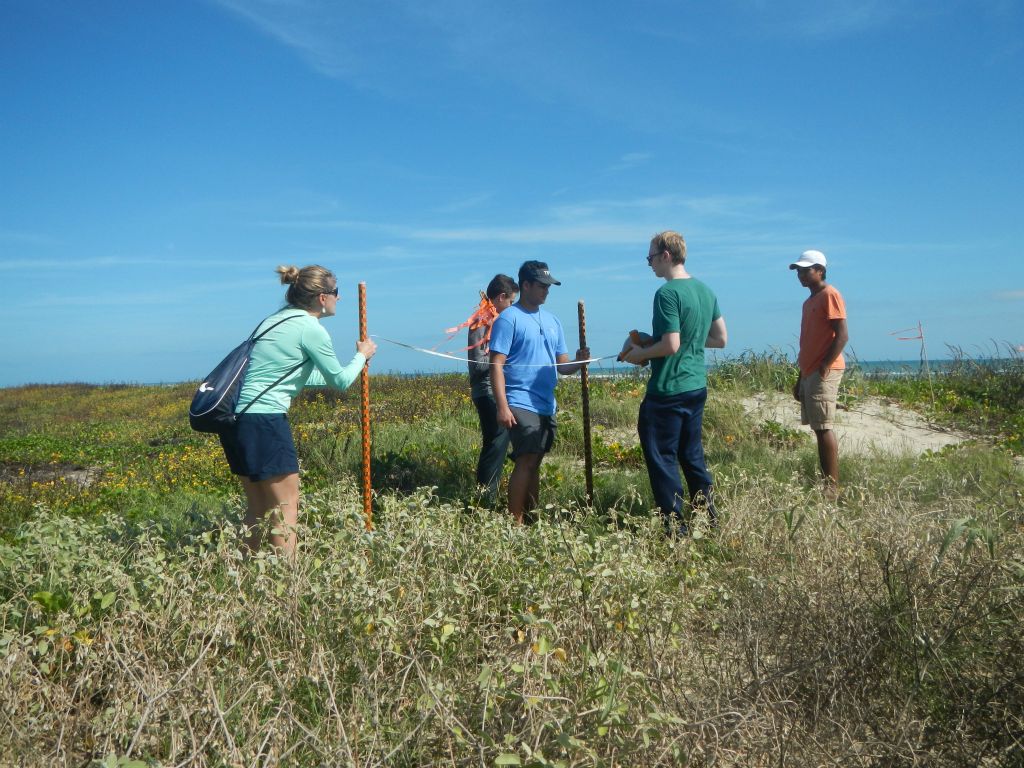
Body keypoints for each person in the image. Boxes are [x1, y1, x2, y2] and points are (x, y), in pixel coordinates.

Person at [217, 265, 377, 556]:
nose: (339, 299)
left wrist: (351, 364)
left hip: (235, 420)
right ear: (321, 298)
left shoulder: (273, 321)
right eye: (336, 293)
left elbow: (300, 376)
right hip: (265, 420)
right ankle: (287, 586)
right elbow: (340, 382)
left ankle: (238, 578)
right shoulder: (310, 329)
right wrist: (361, 356)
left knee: (257, 507)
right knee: (286, 510)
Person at [621, 231, 727, 535]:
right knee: (691, 455)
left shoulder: (667, 294)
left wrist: (640, 353)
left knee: (662, 458)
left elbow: (670, 345)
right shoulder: (705, 291)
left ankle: (674, 527)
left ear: (666, 255)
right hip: (696, 386)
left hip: (668, 389)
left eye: (651, 257)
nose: (650, 264)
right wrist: (683, 340)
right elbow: (720, 339)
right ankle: (708, 520)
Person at [489, 261, 589, 524]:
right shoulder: (509, 318)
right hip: (519, 399)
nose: (547, 290)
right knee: (527, 459)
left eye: (549, 285)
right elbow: (496, 364)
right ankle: (515, 523)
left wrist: (579, 362)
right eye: (542, 285)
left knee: (535, 461)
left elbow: (563, 364)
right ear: (526, 285)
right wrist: (502, 405)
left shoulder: (553, 321)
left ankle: (532, 519)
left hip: (546, 403)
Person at [789, 249, 849, 491]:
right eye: (799, 271)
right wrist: (800, 377)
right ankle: (826, 482)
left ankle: (831, 487)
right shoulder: (809, 301)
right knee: (818, 427)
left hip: (825, 369)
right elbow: (807, 341)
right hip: (810, 370)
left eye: (806, 270)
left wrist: (825, 364)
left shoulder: (829, 294)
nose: (801, 275)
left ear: (820, 271)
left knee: (824, 427)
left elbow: (842, 335)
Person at [468, 274, 519, 500]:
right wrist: (501, 360)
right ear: (501, 298)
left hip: (498, 391)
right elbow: (477, 364)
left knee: (503, 442)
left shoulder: (499, 320)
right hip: (486, 391)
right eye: (510, 302)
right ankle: (485, 498)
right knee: (495, 443)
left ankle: (491, 494)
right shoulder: (481, 320)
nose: (512, 307)